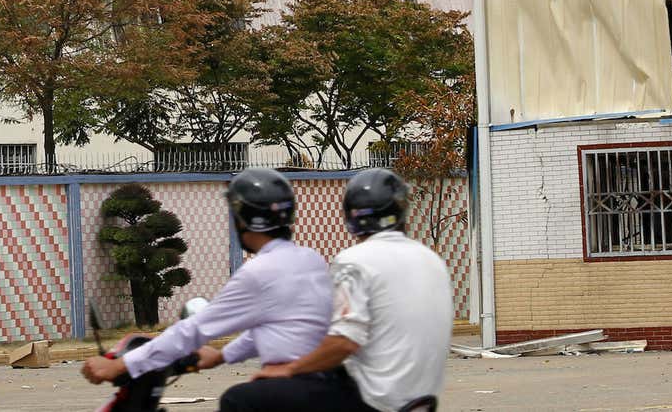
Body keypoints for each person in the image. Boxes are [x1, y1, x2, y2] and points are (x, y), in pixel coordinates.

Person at [219, 168, 452, 412]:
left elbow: (344, 341)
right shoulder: (432, 259)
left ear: (351, 217)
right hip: (419, 398)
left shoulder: (355, 260)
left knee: (239, 399)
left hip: (373, 399)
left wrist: (289, 368)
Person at [81, 168, 332, 388]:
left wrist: (122, 364)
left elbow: (194, 330)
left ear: (242, 219)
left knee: (237, 399)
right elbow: (282, 328)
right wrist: (223, 355)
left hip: (294, 382)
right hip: (324, 377)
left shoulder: (258, 272)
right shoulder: (310, 259)